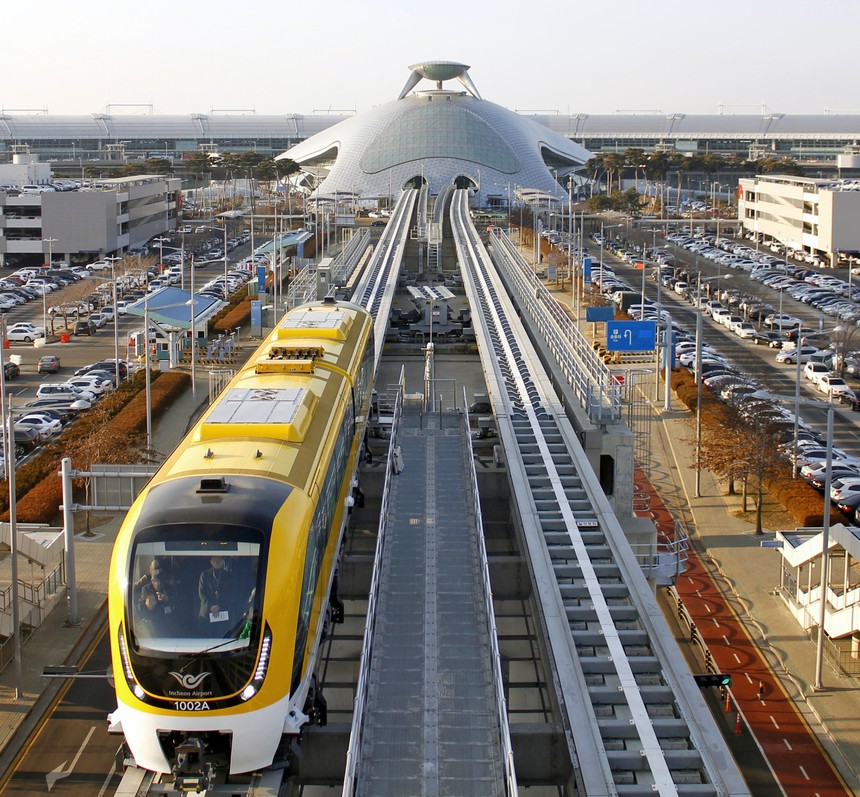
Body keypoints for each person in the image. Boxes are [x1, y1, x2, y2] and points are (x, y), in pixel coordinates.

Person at [199, 555, 235, 625]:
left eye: (219, 559)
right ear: (211, 561)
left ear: (223, 561)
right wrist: (211, 606)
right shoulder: (204, 574)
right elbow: (201, 592)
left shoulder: (229, 576)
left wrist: (220, 606)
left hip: (223, 612)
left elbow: (231, 593)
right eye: (215, 559)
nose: (217, 561)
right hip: (207, 612)